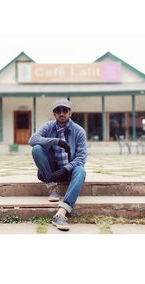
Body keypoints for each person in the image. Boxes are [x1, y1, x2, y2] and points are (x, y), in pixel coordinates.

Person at [29, 99, 87, 231]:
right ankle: (52, 188)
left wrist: (65, 169)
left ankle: (61, 213)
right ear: (54, 114)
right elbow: (32, 140)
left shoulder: (79, 131)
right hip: (50, 172)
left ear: (70, 113)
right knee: (36, 149)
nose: (61, 113)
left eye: (65, 110)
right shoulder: (48, 126)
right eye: (58, 111)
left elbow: (81, 158)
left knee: (81, 171)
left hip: (68, 171)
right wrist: (57, 141)